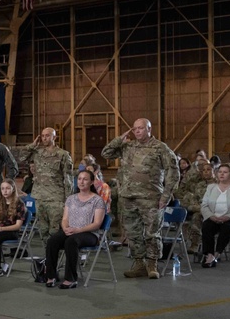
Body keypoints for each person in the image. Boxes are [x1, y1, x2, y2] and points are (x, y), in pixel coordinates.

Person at [101, 118, 179, 279]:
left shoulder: (160, 148)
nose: (137, 131)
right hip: (128, 197)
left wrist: (166, 195)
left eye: (140, 128)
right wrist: (118, 140)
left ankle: (152, 263)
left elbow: (173, 171)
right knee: (133, 233)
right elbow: (106, 153)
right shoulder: (128, 146)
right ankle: (139, 263)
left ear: (149, 129)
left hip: (151, 198)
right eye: (134, 128)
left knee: (152, 233)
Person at [41, 170, 107, 289]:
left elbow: (97, 224)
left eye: (85, 179)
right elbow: (65, 218)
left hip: (89, 234)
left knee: (71, 242)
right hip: (71, 231)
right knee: (52, 241)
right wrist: (65, 228)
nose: (81, 182)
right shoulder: (71, 199)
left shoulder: (97, 200)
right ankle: (50, 275)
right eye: (80, 179)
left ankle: (70, 278)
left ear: (92, 182)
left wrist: (78, 230)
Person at [20, 127, 74, 245]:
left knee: (55, 230)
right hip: (40, 197)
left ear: (54, 137)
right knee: (43, 230)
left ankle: (58, 257)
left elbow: (68, 179)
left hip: (56, 198)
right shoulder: (37, 152)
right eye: (43, 136)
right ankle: (49, 256)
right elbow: (21, 157)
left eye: (47, 135)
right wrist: (32, 145)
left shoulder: (63, 155)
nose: (44, 138)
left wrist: (69, 200)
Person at [200, 163, 230, 268]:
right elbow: (204, 205)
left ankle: (216, 254)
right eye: (220, 172)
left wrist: (228, 217)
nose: (222, 174)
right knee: (206, 227)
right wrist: (211, 216)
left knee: (226, 229)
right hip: (213, 217)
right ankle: (209, 255)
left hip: (229, 219)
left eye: (225, 172)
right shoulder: (211, 187)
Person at [177, 159, 211, 256]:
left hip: (214, 211)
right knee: (195, 215)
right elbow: (193, 198)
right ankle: (193, 243)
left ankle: (196, 244)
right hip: (199, 208)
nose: (204, 171)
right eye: (202, 169)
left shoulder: (216, 184)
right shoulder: (199, 184)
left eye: (208, 169)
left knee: (197, 216)